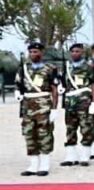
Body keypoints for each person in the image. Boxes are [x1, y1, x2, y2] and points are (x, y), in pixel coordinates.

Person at [15, 41, 60, 176]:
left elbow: (54, 89)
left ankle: (44, 165)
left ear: (41, 53)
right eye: (31, 52)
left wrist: (54, 108)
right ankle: (33, 165)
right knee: (29, 134)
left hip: (43, 105)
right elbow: (18, 84)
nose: (33, 54)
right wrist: (18, 92)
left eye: (36, 52)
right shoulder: (23, 68)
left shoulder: (50, 68)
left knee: (44, 135)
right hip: (27, 105)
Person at [60, 42, 94, 167]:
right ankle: (71, 156)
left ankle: (85, 156)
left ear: (82, 53)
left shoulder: (88, 67)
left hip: (83, 101)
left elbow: (93, 84)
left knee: (85, 128)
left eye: (78, 51)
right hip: (70, 102)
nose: (75, 53)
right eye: (73, 51)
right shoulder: (66, 66)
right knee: (70, 129)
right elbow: (63, 83)